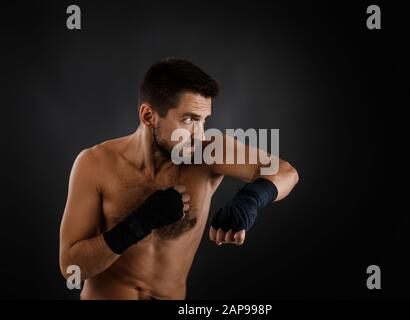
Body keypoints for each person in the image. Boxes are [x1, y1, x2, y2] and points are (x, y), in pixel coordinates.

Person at [59, 58, 299, 299]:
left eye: (204, 120)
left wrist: (251, 200)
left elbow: (285, 172)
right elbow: (72, 270)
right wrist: (138, 224)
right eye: (189, 120)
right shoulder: (95, 164)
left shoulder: (207, 152)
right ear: (148, 115)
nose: (200, 134)